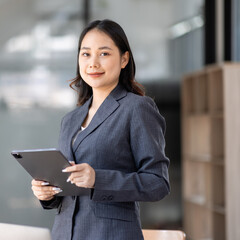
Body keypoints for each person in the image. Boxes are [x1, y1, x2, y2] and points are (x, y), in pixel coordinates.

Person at [31, 19, 170, 240]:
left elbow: (157, 183)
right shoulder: (70, 119)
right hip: (65, 233)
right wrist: (48, 193)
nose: (93, 63)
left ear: (124, 59)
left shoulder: (136, 108)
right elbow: (71, 189)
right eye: (86, 54)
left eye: (104, 54)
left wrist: (98, 179)